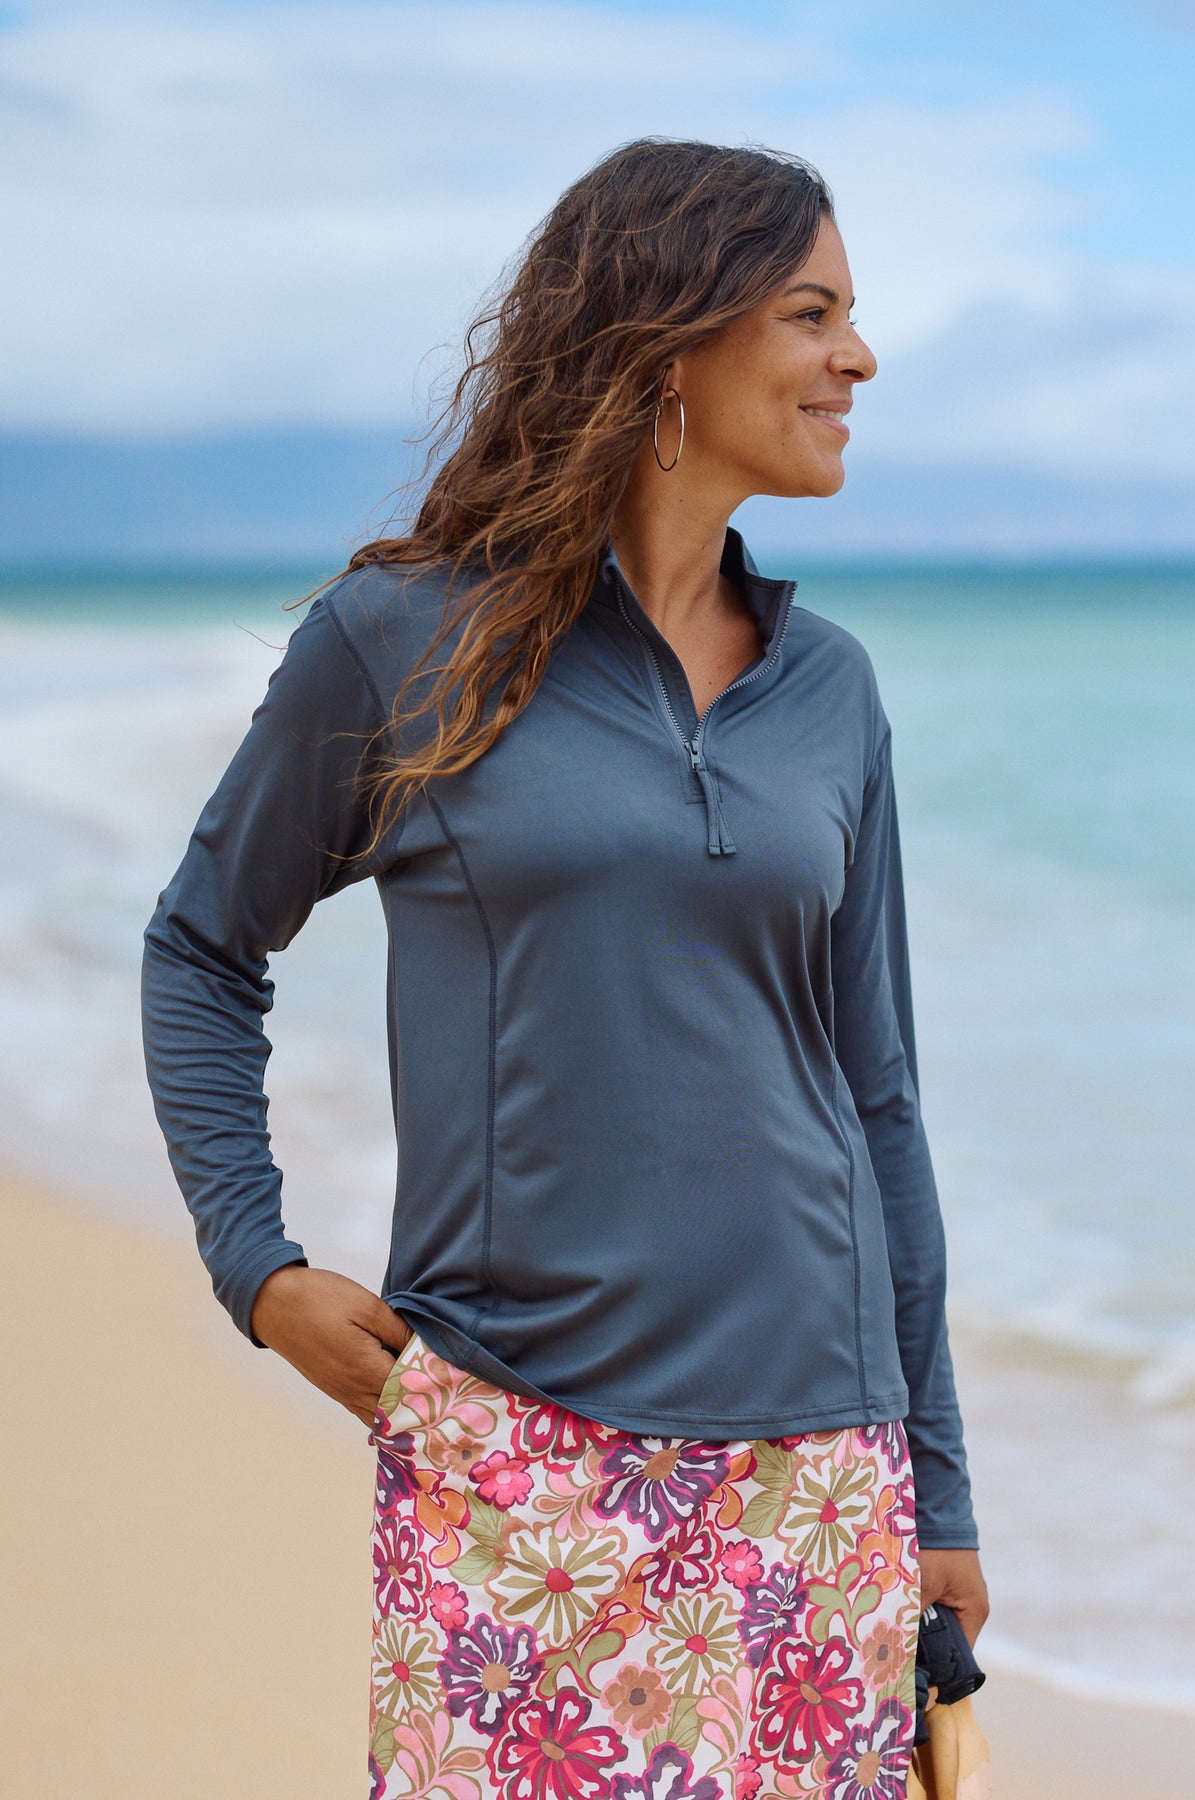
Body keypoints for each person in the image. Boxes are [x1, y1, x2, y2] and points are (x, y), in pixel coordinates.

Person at [142, 136, 988, 1800]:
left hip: (822, 1459)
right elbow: (201, 946)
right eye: (812, 313)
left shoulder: (832, 690)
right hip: (518, 1447)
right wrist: (257, 1266)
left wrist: (938, 1488)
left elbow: (875, 1095)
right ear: (670, 338)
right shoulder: (404, 641)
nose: (858, 359)